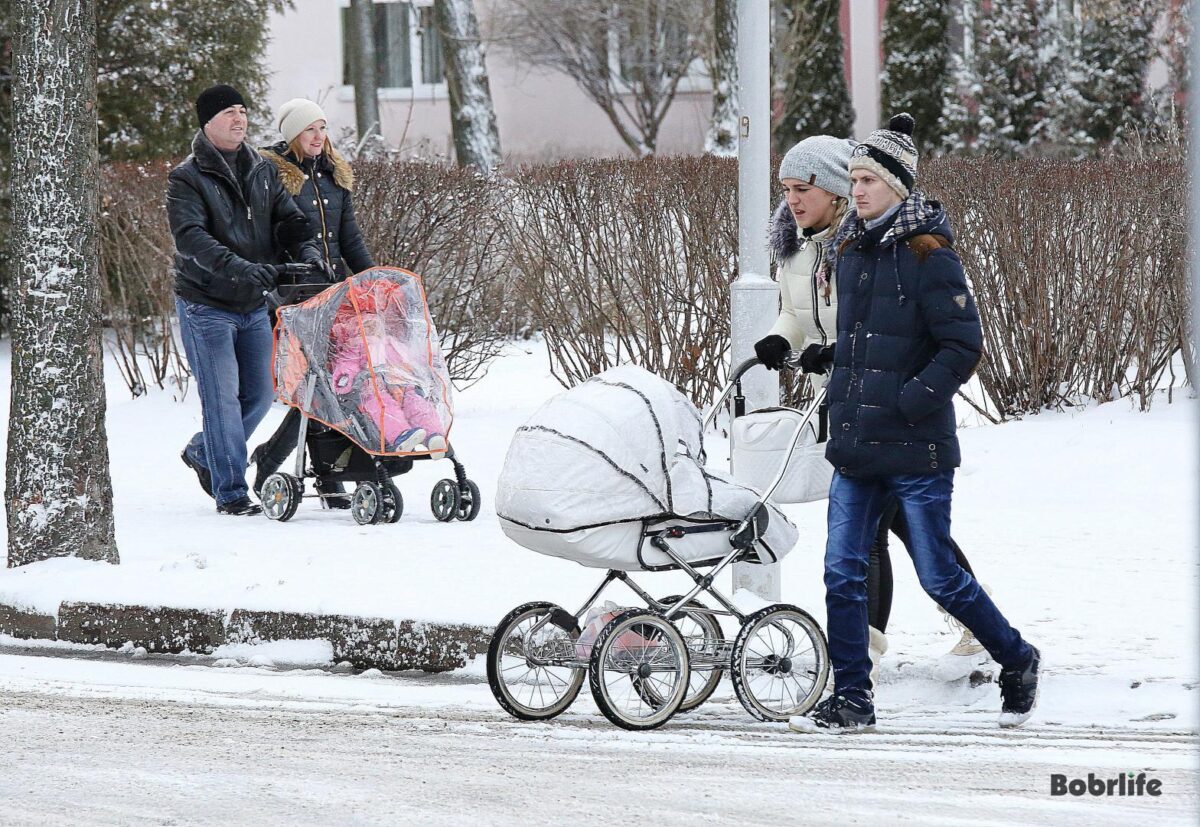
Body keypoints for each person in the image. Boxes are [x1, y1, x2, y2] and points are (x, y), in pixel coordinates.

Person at [788, 114, 1040, 733]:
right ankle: (852, 699)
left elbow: (962, 346)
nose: (860, 189)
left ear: (898, 186)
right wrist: (834, 365)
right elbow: (860, 341)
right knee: (841, 573)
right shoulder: (849, 254)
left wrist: (909, 399)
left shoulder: (931, 256)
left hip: (916, 449)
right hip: (855, 447)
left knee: (940, 577)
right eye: (854, 178)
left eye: (870, 178)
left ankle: (1017, 656)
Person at [754, 135, 995, 684]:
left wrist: (844, 358)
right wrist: (778, 337)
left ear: (835, 190)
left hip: (882, 400)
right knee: (899, 527)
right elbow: (795, 311)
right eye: (787, 190)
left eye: (803, 189)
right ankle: (953, 624)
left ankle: (867, 645)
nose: (792, 201)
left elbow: (882, 330)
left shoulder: (861, 246)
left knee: (882, 530)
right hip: (843, 399)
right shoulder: (795, 246)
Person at [169, 84, 324, 516]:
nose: (239, 119)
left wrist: (306, 247)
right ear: (207, 122)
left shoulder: (261, 167)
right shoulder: (187, 177)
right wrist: (240, 266)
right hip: (206, 304)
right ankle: (232, 492)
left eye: (242, 111)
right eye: (228, 113)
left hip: (253, 303)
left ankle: (206, 452)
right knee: (221, 399)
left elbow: (289, 219)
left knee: (258, 395)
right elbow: (190, 238)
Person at [249, 99, 377, 500]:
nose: (319, 137)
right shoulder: (270, 174)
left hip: (335, 293)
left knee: (335, 384)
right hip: (295, 293)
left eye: (322, 128)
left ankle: (312, 466)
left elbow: (350, 237)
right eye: (310, 130)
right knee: (315, 384)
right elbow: (266, 237)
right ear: (292, 134)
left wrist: (372, 280)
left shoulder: (334, 175)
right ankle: (288, 463)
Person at [329, 311, 448, 454]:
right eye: (366, 327)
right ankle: (401, 435)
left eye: (374, 326)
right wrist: (345, 377)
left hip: (401, 386)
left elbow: (410, 357)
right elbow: (347, 364)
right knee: (383, 407)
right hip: (372, 389)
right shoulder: (356, 346)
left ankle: (433, 436)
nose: (371, 330)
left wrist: (427, 358)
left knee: (418, 405)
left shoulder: (391, 343)